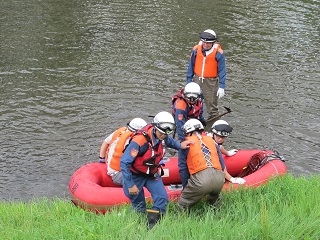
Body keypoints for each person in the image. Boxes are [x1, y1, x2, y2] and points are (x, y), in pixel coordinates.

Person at [120, 111, 194, 230]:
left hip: (151, 174)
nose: (163, 135)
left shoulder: (162, 135)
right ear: (155, 127)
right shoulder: (139, 141)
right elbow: (124, 162)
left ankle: (151, 227)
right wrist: (130, 184)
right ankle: (134, 227)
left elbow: (168, 141)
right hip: (135, 176)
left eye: (166, 133)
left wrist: (180, 146)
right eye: (161, 132)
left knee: (162, 198)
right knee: (139, 206)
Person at [178, 119, 245, 211]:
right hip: (219, 180)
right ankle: (216, 212)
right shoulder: (212, 141)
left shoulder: (185, 144)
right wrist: (231, 179)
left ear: (188, 132)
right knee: (215, 197)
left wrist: (186, 187)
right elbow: (221, 165)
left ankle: (182, 218)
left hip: (202, 182)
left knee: (184, 202)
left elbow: (183, 169)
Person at [186, 29, 227, 120]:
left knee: (211, 105)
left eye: (208, 43)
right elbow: (191, 66)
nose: (205, 45)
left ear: (213, 43)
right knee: (193, 101)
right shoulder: (196, 50)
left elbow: (222, 71)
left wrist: (222, 86)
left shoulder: (218, 53)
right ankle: (194, 119)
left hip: (211, 82)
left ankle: (214, 121)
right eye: (204, 42)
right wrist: (188, 81)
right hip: (197, 79)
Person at [99, 118, 147, 185]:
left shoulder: (120, 132)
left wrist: (102, 158)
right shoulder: (132, 142)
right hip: (118, 174)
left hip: (112, 168)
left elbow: (105, 142)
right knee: (146, 179)